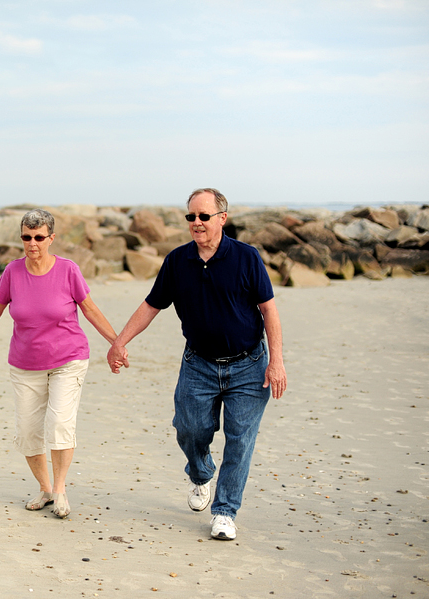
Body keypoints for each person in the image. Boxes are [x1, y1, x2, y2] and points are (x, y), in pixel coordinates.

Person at [107, 188, 286, 540]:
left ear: (222, 218)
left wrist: (276, 361)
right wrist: (120, 341)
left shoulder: (246, 258)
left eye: (204, 216)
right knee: (189, 429)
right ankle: (201, 473)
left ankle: (224, 512)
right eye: (191, 217)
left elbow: (269, 311)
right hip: (198, 365)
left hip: (249, 366)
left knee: (240, 439)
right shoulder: (177, 262)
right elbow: (151, 306)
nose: (197, 223)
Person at [0, 208, 123, 519]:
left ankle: (62, 489)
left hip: (68, 359)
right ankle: (46, 488)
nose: (32, 243)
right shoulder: (12, 272)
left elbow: (90, 310)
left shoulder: (67, 270)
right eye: (26, 237)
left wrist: (116, 343)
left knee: (60, 423)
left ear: (51, 238)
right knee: (28, 432)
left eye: (39, 237)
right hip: (25, 364)